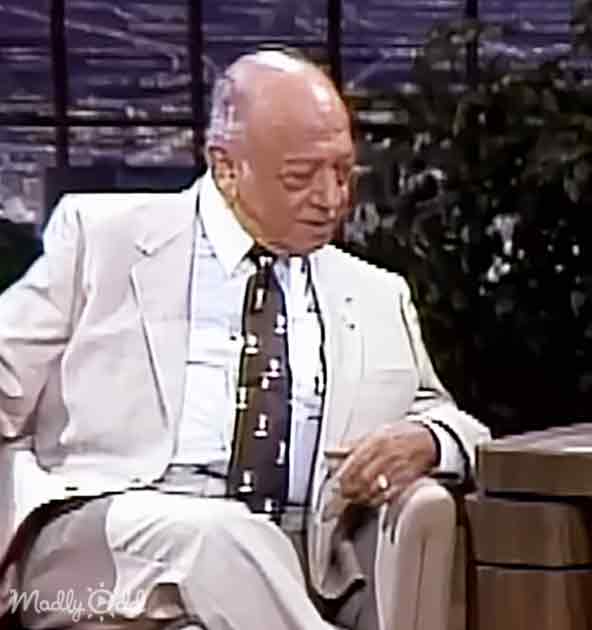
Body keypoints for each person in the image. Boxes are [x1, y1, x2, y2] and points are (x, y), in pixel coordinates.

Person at [0, 50, 490, 629]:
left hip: (283, 562)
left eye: (342, 172)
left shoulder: (376, 295)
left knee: (237, 549)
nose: (331, 199)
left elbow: (456, 422)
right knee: (223, 535)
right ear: (226, 167)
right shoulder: (104, 239)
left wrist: (428, 440)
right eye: (300, 177)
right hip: (100, 539)